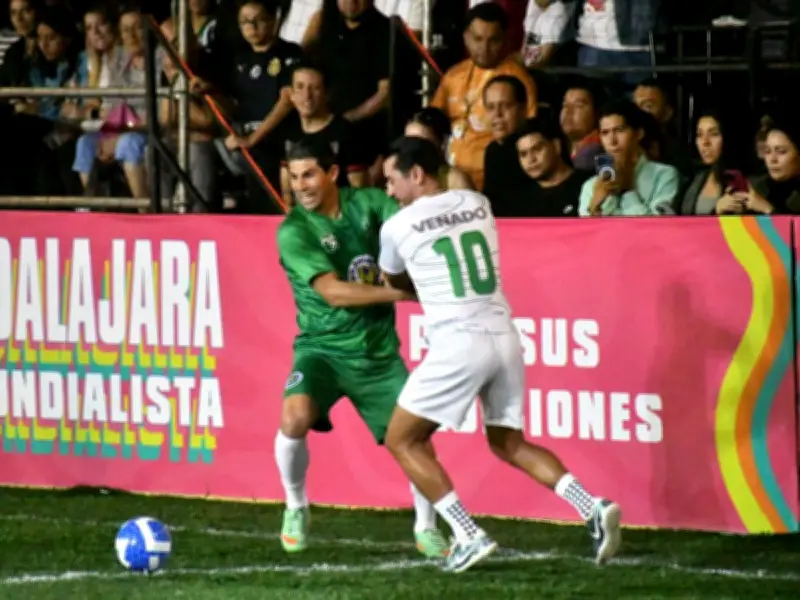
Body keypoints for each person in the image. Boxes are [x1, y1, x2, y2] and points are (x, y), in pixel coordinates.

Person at [378, 136, 622, 573]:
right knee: (508, 441)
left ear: (416, 175)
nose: (389, 192)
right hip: (503, 334)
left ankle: (467, 533)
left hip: (458, 340)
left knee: (402, 438)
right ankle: (592, 506)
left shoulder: (397, 225)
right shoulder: (478, 202)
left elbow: (394, 281)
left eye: (392, 181)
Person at [274, 136, 449, 559]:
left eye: (309, 174)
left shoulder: (369, 204)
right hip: (322, 350)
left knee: (416, 440)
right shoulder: (293, 230)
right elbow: (334, 293)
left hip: (377, 353)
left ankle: (426, 528)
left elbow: (415, 220)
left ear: (332, 173)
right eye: (294, 177)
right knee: (294, 416)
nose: (301, 186)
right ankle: (296, 506)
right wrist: (404, 295)